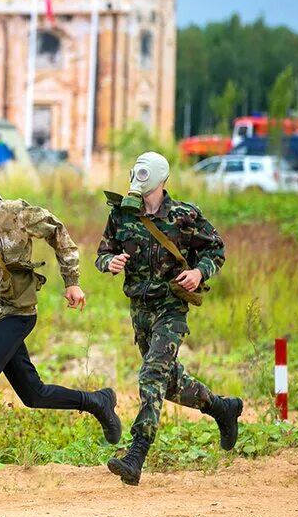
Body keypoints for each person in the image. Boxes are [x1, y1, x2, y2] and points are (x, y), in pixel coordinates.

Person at [0, 157, 121, 490]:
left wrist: (72, 281)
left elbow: (58, 232)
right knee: (32, 394)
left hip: (18, 310)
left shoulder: (15, 211)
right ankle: (97, 402)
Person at [96, 152, 243, 486]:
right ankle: (222, 408)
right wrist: (110, 263)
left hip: (172, 306)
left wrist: (198, 271)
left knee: (151, 374)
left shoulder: (184, 215)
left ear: (161, 181)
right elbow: (102, 253)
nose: (141, 187)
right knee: (169, 382)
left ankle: (136, 454)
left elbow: (215, 249)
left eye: (147, 182)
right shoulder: (121, 215)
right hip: (140, 308)